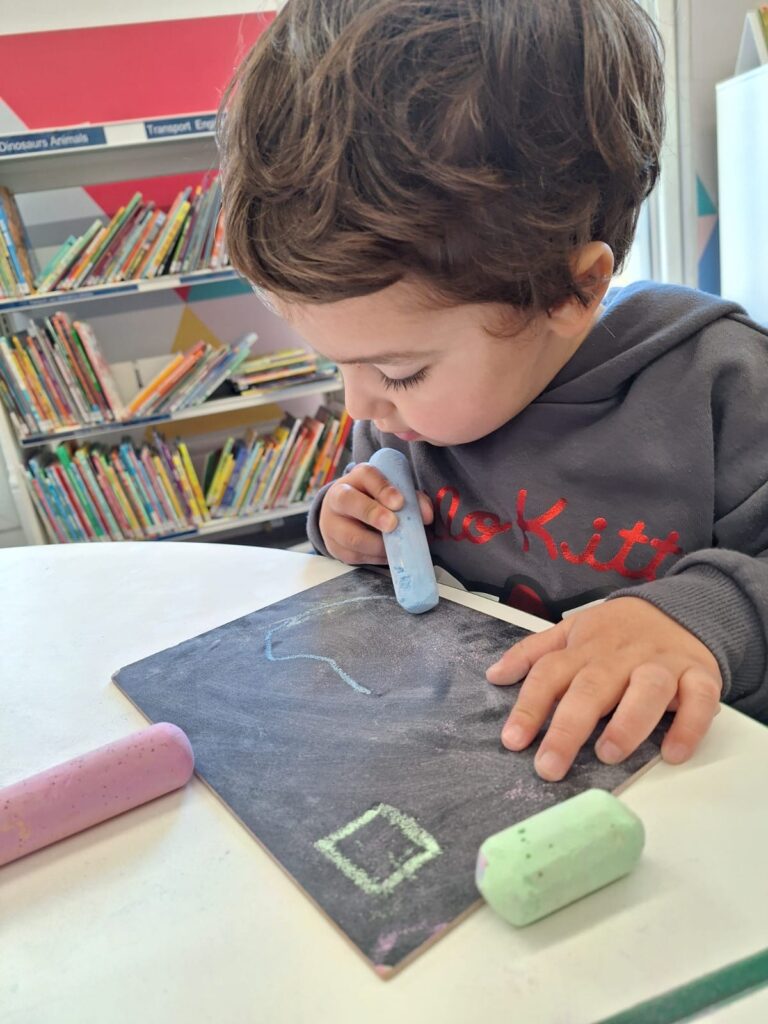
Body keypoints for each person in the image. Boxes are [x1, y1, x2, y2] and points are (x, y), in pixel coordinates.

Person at [218, 0, 768, 780]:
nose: (363, 407)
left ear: (572, 293)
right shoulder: (406, 421)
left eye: (401, 371)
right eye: (335, 364)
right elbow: (387, 526)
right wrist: (346, 526)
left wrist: (700, 615)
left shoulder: (726, 384)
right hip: (477, 772)